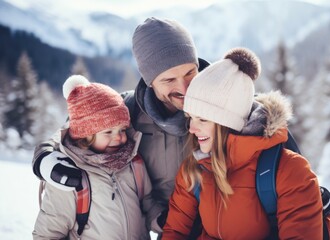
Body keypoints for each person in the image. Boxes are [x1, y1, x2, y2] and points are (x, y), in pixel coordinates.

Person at [31, 17, 209, 232]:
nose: (185, 86)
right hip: (168, 225)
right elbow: (75, 129)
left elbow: (256, 114)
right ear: (150, 81)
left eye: (190, 72)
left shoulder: (218, 102)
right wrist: (44, 156)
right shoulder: (128, 110)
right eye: (169, 80)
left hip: (216, 224)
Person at [162, 47, 330, 239]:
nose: (192, 129)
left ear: (227, 122)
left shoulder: (289, 170)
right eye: (190, 118)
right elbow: (174, 232)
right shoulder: (194, 168)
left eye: (202, 119)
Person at [32, 75, 162, 239]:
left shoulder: (133, 163)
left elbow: (147, 203)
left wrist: (161, 220)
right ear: (85, 135)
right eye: (108, 132)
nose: (118, 137)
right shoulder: (70, 176)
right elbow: (47, 233)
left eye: (122, 130)